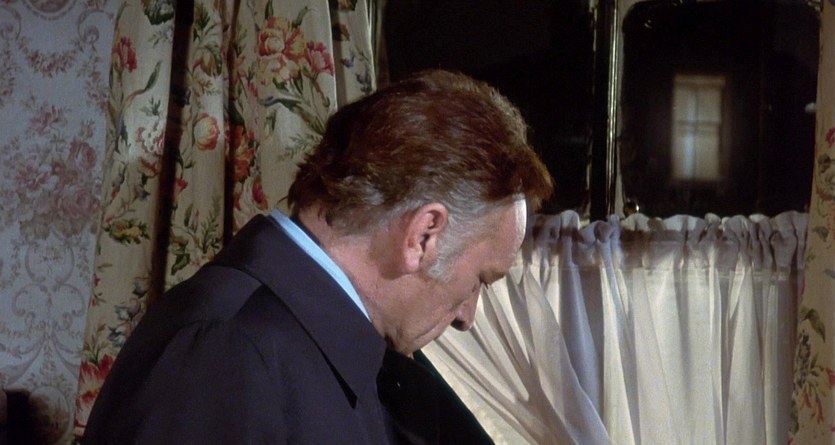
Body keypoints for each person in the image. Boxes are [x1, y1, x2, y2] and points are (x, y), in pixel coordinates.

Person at [82, 69, 553, 444]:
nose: (468, 316)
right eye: (480, 280)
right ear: (424, 235)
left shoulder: (320, 346)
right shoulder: (226, 352)